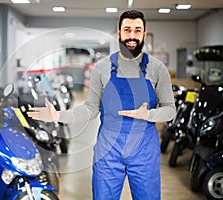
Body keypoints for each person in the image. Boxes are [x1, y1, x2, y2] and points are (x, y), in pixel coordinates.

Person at [27, 10, 176, 200]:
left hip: (144, 151)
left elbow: (170, 110)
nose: (132, 36)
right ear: (119, 33)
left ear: (144, 34)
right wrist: (59, 116)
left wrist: (149, 115)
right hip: (108, 150)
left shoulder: (157, 68)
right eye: (127, 30)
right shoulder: (103, 68)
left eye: (137, 30)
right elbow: (90, 108)